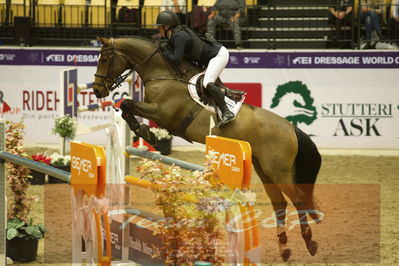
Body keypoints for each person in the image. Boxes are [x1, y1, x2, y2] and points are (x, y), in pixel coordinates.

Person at [155, 10, 235, 127]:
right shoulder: (174, 36)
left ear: (166, 26)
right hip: (210, 57)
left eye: (159, 27)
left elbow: (177, 60)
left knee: (207, 82)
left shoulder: (178, 36)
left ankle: (227, 112)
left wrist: (165, 51)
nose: (158, 30)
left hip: (218, 55)